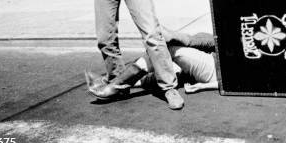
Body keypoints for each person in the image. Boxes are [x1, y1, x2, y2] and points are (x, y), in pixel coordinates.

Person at [86, 31, 218, 99]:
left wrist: (203, 86)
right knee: (164, 67)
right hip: (214, 57)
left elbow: (238, 83)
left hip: (217, 71)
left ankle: (115, 85)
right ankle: (115, 83)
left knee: (167, 49)